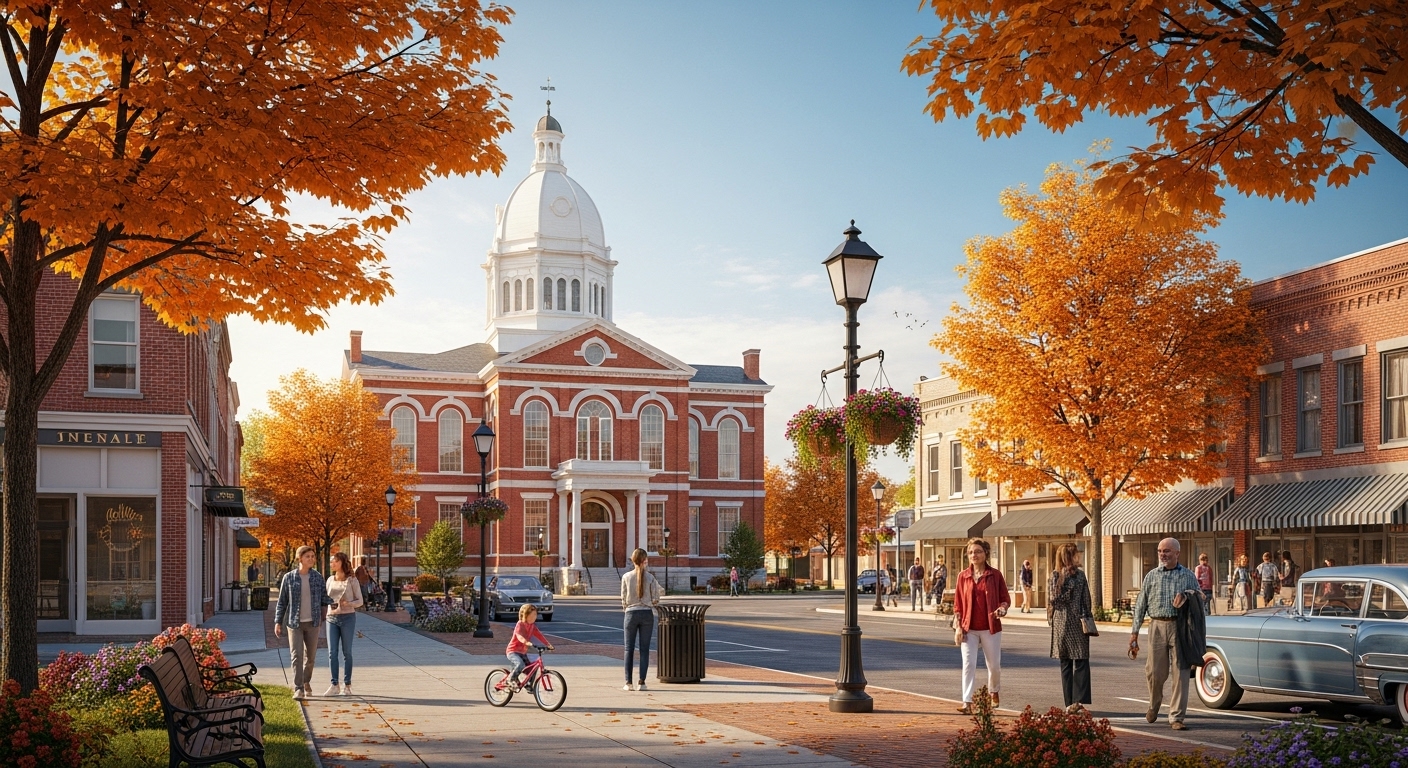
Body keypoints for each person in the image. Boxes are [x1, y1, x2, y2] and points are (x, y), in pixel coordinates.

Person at [1129, 537, 1201, 730]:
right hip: (1157, 626)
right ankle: (1154, 704)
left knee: (1181, 672)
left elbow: (1201, 601)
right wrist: (1134, 633)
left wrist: (1187, 596)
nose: (1163, 554)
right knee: (1154, 672)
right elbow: (1141, 605)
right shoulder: (1151, 576)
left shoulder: (1188, 576)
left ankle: (1176, 717)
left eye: (1167, 551)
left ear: (1177, 553)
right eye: (1160, 551)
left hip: (1180, 627)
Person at [953, 538, 1009, 714]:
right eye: (970, 552)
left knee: (993, 665)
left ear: (985, 553)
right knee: (968, 664)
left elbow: (1005, 599)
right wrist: (958, 627)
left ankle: (994, 690)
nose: (973, 555)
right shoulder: (963, 576)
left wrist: (1002, 608)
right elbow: (958, 604)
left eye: (977, 551)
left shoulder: (995, 575)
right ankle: (967, 702)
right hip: (969, 628)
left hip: (990, 627)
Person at [273, 546, 334, 700]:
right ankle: (299, 688)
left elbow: (324, 598)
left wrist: (334, 603)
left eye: (313, 556)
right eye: (308, 556)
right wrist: (278, 622)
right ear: (300, 558)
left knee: (311, 657)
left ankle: (306, 681)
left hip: (313, 623)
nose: (311, 559)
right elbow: (282, 602)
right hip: (294, 623)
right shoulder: (289, 578)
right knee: (296, 656)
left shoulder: (317, 577)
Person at [1047, 542, 1092, 712]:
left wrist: (1088, 618)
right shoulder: (1057, 576)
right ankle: (1072, 702)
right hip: (1066, 621)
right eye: (1075, 554)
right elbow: (1055, 600)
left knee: (1079, 660)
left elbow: (1086, 598)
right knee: (1069, 661)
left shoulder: (1079, 575)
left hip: (1074, 621)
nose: (1078, 556)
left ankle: (1075, 701)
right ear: (1069, 556)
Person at [621, 548, 662, 691]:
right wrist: (650, 602)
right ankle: (642, 682)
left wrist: (628, 607)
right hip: (646, 614)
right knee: (644, 650)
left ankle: (628, 682)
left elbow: (623, 599)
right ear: (644, 560)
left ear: (633, 560)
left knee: (628, 649)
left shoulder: (626, 577)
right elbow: (656, 597)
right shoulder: (650, 578)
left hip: (631, 613)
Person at [324, 551, 363, 696]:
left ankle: (347, 684)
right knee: (332, 652)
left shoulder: (352, 580)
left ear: (342, 562)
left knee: (347, 652)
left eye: (334, 561)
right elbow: (326, 598)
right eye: (331, 561)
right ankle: (334, 684)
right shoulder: (329, 580)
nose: (332, 563)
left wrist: (349, 603)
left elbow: (360, 601)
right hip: (331, 618)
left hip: (347, 618)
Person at [506, 604, 554, 690]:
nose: (533, 618)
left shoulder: (532, 626)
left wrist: (547, 644)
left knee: (533, 669)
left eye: (535, 615)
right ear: (525, 615)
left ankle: (528, 684)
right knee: (520, 664)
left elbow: (539, 635)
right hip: (513, 651)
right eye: (531, 616)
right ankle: (510, 679)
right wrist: (526, 642)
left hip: (523, 652)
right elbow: (519, 635)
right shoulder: (520, 624)